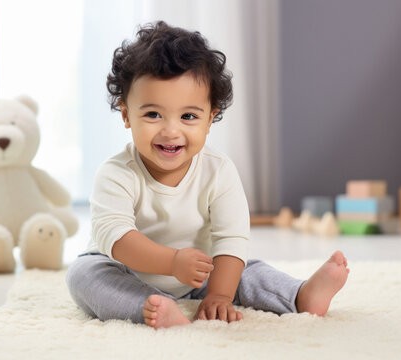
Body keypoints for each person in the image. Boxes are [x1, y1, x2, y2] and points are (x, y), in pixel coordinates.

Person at [66, 21, 349, 329]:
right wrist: (172, 262)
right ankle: (148, 307)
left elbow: (231, 237)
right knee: (83, 275)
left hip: (198, 275)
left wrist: (220, 295)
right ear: (126, 115)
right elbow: (117, 238)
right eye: (152, 114)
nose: (171, 131)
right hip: (125, 271)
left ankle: (299, 295)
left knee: (247, 271)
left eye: (188, 116)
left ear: (210, 118)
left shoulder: (219, 170)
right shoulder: (116, 173)